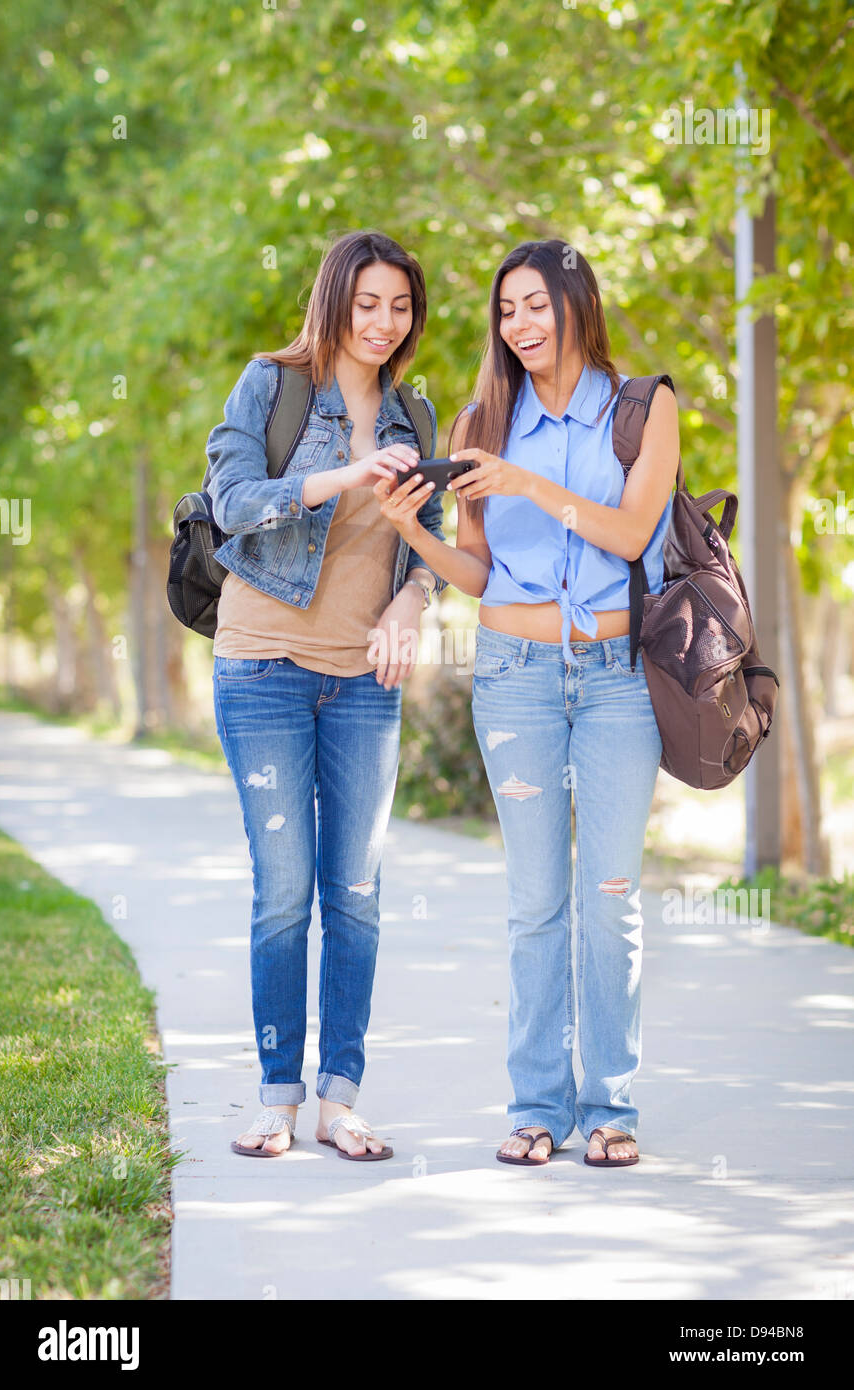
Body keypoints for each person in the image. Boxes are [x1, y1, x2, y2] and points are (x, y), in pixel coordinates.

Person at [374, 238, 679, 1168]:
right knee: (537, 900)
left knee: (611, 896)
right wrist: (410, 533)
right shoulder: (482, 418)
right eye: (507, 310)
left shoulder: (643, 407)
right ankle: (537, 1107)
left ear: (577, 305)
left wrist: (525, 483)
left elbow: (632, 533)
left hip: (619, 678)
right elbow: (477, 573)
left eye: (537, 304)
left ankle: (611, 1108)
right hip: (514, 676)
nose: (521, 325)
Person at [205, 230, 444, 1161]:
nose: (384, 323)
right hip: (261, 665)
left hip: (363, 683)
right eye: (369, 302)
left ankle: (341, 1100)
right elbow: (231, 499)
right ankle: (276, 1097)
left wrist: (413, 606)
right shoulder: (272, 384)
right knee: (284, 893)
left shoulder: (414, 417)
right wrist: (338, 476)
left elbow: (430, 545)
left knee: (356, 893)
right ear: (335, 299)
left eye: (401, 306)